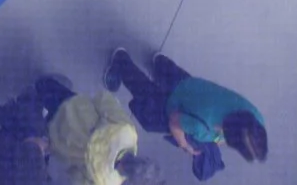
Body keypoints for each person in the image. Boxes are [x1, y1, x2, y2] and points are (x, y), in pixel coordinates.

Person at [103, 51, 266, 165]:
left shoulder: (256, 117)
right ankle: (121, 62)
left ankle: (159, 62)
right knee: (145, 92)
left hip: (195, 87)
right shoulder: (203, 126)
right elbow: (175, 121)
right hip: (174, 106)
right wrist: (185, 146)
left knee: (173, 75)